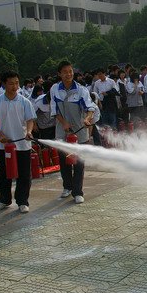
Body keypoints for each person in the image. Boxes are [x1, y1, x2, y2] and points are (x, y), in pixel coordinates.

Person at [0, 71, 36, 214]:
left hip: (22, 144)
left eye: (16, 83)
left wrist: (29, 132)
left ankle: (22, 201)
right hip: (3, 145)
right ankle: (4, 200)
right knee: (5, 174)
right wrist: (0, 135)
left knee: (24, 175)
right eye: (11, 83)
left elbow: (30, 120)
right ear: (4, 84)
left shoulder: (24, 101)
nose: (14, 86)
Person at [50, 61, 96, 203]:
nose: (69, 74)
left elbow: (90, 108)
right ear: (59, 74)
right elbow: (54, 110)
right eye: (65, 72)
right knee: (64, 161)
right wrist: (63, 123)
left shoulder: (81, 90)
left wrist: (87, 119)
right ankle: (67, 187)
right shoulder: (55, 89)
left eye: (70, 71)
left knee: (79, 163)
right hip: (62, 132)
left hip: (80, 132)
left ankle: (78, 192)